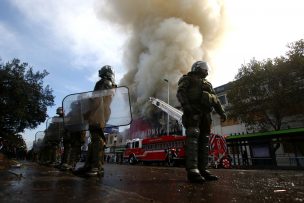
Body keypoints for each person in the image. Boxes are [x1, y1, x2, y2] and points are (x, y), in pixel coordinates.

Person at [177, 60, 227, 183]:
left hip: (206, 115)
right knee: (193, 139)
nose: (206, 70)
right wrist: (187, 107)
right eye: (204, 68)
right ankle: (193, 170)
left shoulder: (208, 84)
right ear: (197, 68)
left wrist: (221, 112)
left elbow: (215, 100)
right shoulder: (188, 79)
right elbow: (181, 93)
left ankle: (203, 169)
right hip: (193, 112)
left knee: (204, 142)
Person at [77, 65, 117, 176]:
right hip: (100, 113)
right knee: (94, 140)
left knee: (97, 140)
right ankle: (89, 165)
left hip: (98, 113)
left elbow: (97, 99)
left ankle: (96, 167)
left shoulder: (103, 83)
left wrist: (88, 111)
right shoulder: (109, 84)